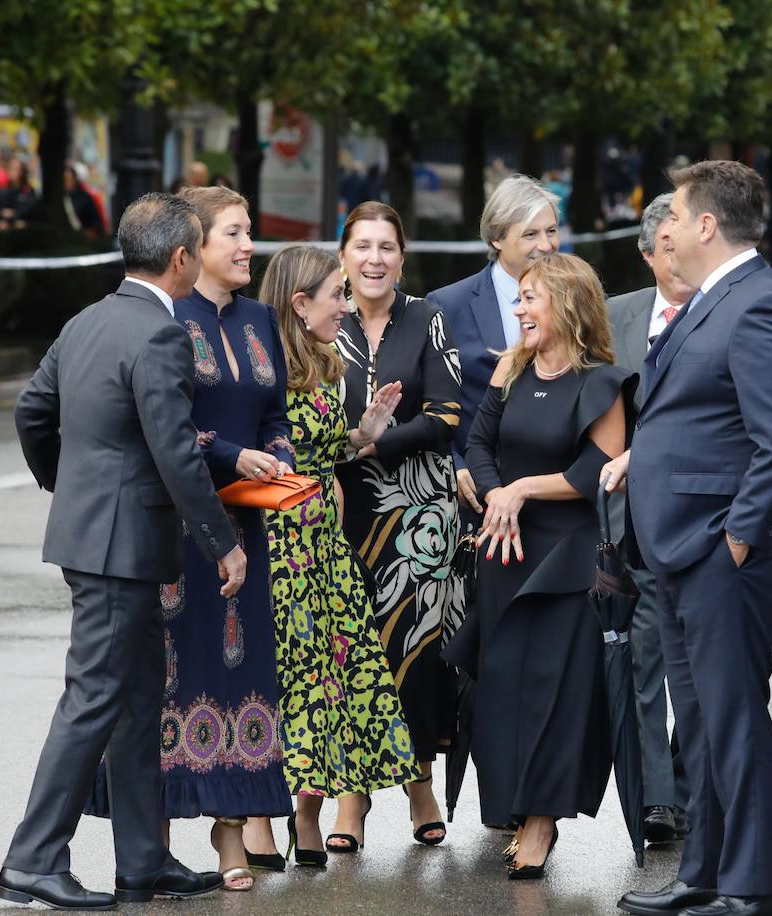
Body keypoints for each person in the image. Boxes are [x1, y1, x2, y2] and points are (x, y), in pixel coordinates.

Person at [0, 192, 246, 910]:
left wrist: (68, 484)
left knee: (138, 702)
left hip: (100, 539)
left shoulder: (87, 321)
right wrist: (223, 544)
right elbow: (176, 451)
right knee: (94, 699)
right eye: (199, 248)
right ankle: (31, 860)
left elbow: (31, 411)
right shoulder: (161, 336)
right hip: (121, 547)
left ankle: (143, 861)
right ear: (180, 259)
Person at [611, 160, 772, 916]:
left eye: (678, 212)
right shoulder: (714, 298)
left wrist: (736, 537)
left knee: (732, 719)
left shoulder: (758, 303)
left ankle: (753, 885)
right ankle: (704, 876)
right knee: (695, 722)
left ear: (706, 225)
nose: (664, 225)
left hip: (722, 552)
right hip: (680, 548)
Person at [82, 187, 296, 890]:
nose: (248, 246)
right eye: (234, 233)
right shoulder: (167, 325)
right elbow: (169, 429)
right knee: (171, 688)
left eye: (250, 231)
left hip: (249, 531)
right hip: (180, 536)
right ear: (191, 247)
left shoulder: (263, 318)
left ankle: (231, 834)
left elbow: (276, 413)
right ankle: (157, 846)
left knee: (243, 678)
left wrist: (278, 455)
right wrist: (232, 454)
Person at [443, 251, 635, 881]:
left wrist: (520, 491)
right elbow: (478, 442)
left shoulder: (602, 383)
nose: (519, 309)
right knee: (501, 687)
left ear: (569, 306)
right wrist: (500, 494)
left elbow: (592, 475)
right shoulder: (510, 367)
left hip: (567, 558)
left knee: (555, 691)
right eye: (517, 298)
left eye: (531, 298)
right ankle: (511, 806)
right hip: (504, 550)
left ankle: (542, 822)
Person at [257, 246, 419, 868]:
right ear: (301, 304)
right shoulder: (263, 367)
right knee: (286, 682)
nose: (347, 308)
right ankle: (259, 820)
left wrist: (365, 433)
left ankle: (307, 813)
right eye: (337, 296)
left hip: (326, 543)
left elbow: (327, 449)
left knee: (332, 682)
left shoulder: (329, 362)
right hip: (278, 543)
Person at [333, 201, 465, 850]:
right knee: (353, 658)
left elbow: (446, 416)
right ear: (343, 255)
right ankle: (350, 804)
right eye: (363, 246)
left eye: (387, 247)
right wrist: (350, 444)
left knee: (410, 661)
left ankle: (419, 786)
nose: (375, 258)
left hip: (419, 521)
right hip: (340, 514)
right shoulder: (323, 320)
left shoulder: (428, 318)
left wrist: (373, 443)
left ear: (402, 257)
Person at [606, 192, 693, 843]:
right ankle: (658, 798)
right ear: (647, 253)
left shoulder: (727, 311)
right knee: (641, 663)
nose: (681, 257)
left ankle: (691, 786)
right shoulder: (616, 318)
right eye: (668, 246)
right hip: (632, 526)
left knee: (700, 671)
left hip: (707, 523)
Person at [428, 174, 562, 527]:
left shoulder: (577, 302)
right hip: (477, 493)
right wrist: (453, 464)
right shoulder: (447, 304)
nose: (547, 245)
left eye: (551, 231)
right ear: (497, 238)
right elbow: (428, 400)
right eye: (531, 234)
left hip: (555, 492)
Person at [0, 159, 38, 230]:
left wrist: (14, 213)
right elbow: (0, 208)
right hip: (7, 224)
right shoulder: (4, 189)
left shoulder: (27, 189)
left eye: (16, 169)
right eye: (10, 169)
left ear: (22, 172)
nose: (12, 172)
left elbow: (31, 208)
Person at [65, 165, 104, 238]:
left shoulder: (86, 198)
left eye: (68, 179)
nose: (66, 183)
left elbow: (96, 224)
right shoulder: (62, 198)